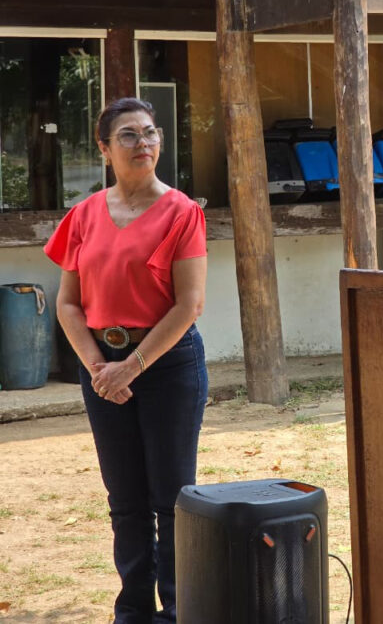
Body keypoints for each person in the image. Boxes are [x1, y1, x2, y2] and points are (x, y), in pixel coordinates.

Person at [44, 97, 208, 623]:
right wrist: (99, 369)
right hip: (101, 367)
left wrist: (130, 367)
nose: (144, 143)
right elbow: (68, 304)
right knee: (125, 500)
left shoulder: (182, 212)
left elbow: (189, 304)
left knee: (172, 498)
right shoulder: (83, 215)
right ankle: (132, 611)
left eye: (151, 132)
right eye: (129, 135)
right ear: (104, 149)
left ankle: (177, 611)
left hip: (167, 365)